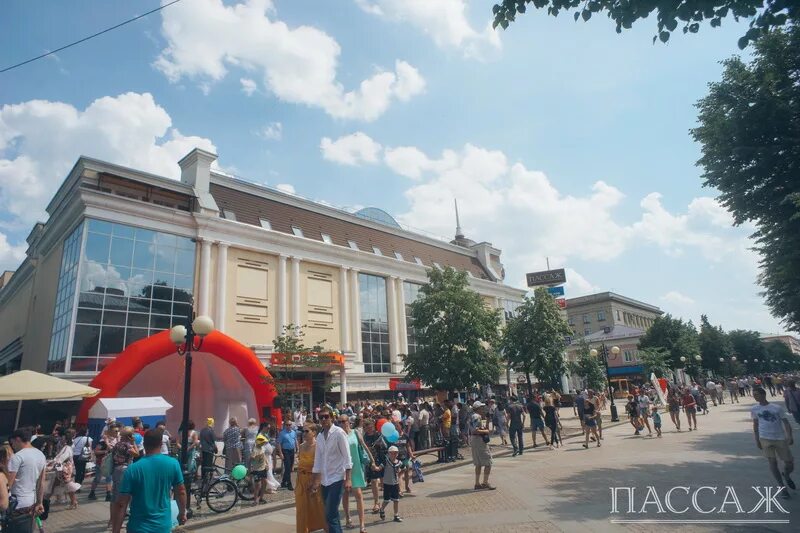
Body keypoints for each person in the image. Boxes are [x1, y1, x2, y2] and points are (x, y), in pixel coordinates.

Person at [112, 429, 187, 533]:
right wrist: (182, 513)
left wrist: (115, 530)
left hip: (137, 527)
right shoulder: (173, 464)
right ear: (161, 444)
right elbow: (181, 492)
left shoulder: (133, 469)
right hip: (162, 526)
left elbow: (121, 503)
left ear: (144, 444)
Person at [310, 407, 352, 533]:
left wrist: (348, 479)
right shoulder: (320, 437)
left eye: (326, 416)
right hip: (324, 481)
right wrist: (315, 482)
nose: (323, 419)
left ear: (332, 418)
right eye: (321, 417)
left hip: (337, 478)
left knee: (330, 514)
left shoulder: (339, 433)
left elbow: (347, 457)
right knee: (331, 515)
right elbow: (317, 461)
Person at [751, 387, 795, 499]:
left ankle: (786, 474)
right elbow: (755, 425)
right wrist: (757, 439)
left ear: (763, 395)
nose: (755, 396)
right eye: (754, 394)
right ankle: (782, 487)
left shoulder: (776, 408)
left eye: (756, 394)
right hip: (765, 438)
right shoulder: (754, 409)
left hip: (779, 437)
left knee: (789, 463)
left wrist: (789, 436)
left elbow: (786, 423)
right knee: (772, 462)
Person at [339, 415, 375, 533]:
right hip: (344, 468)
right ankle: (348, 518)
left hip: (356, 467)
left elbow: (364, 446)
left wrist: (372, 460)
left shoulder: (355, 432)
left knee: (358, 494)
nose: (342, 423)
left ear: (349, 421)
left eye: (344, 421)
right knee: (345, 494)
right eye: (340, 422)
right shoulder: (339, 434)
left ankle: (362, 524)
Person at [8, 428, 47, 533]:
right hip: (31, 504)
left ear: (17, 439)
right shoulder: (41, 455)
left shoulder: (17, 457)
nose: (13, 446)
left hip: (16, 505)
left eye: (12, 443)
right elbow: (41, 482)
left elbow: (8, 485)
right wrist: (40, 502)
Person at [296, 423, 327, 533]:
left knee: (318, 507)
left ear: (314, 433)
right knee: (302, 508)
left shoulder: (319, 446)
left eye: (306, 431)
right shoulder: (301, 446)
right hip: (301, 481)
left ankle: (326, 528)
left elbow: (322, 466)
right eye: (303, 431)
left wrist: (315, 482)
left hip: (314, 480)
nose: (304, 434)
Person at [109, 427, 139, 529]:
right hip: (124, 470)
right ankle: (117, 522)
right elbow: (137, 453)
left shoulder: (117, 444)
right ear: (129, 436)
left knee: (115, 495)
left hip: (115, 470)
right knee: (122, 496)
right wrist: (134, 442)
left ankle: (112, 520)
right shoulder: (127, 445)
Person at [468, 401, 495, 490]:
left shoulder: (473, 416)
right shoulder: (477, 416)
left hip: (474, 440)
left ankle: (477, 483)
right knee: (488, 462)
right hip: (479, 440)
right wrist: (486, 431)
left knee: (478, 463)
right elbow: (475, 430)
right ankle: (485, 482)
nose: (483, 409)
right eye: (482, 407)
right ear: (478, 409)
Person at [50, 430, 79, 509]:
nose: (61, 440)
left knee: (67, 485)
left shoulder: (67, 448)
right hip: (63, 469)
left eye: (62, 438)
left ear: (66, 440)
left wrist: (53, 463)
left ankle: (46, 499)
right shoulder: (66, 447)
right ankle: (73, 501)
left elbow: (61, 458)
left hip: (64, 470)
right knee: (63, 485)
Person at [374, 446, 404, 523]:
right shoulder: (386, 461)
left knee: (396, 500)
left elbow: (403, 468)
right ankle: (382, 509)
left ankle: (396, 515)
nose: (393, 455)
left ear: (397, 454)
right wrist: (374, 467)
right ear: (389, 454)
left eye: (395, 453)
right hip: (387, 483)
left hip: (395, 484)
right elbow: (379, 468)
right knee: (387, 500)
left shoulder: (399, 462)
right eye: (391, 453)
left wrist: (400, 472)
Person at [363, 419, 386, 514]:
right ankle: (376, 502)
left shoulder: (378, 435)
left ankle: (386, 498)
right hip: (371, 462)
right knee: (373, 481)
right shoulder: (364, 437)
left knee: (383, 482)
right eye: (367, 428)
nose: (369, 430)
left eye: (371, 427)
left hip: (380, 460)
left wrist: (380, 444)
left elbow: (385, 447)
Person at [249, 434, 278, 504]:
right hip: (257, 470)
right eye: (263, 442)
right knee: (257, 485)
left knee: (264, 483)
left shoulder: (262, 448)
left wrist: (266, 464)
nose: (264, 443)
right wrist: (252, 465)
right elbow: (251, 459)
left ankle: (261, 498)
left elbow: (264, 456)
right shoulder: (255, 450)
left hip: (263, 469)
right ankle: (256, 500)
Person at [277, 420, 298, 491]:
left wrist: (297, 447)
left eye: (290, 425)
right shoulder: (282, 433)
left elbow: (295, 440)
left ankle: (283, 482)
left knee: (289, 468)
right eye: (287, 425)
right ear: (285, 425)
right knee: (288, 467)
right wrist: (280, 453)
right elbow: (279, 443)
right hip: (285, 451)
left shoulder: (293, 432)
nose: (289, 426)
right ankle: (289, 484)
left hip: (292, 450)